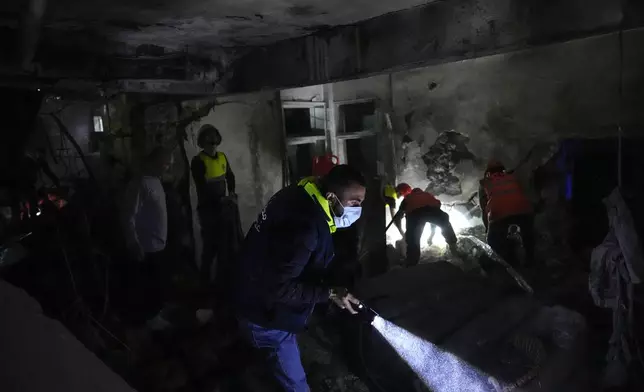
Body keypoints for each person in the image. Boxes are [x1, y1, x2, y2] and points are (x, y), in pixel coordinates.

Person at [234, 165, 366, 392]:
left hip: (250, 291)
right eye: (354, 203)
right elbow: (278, 288)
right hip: (265, 317)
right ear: (332, 197)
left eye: (361, 203)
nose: (358, 209)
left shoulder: (300, 192)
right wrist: (330, 293)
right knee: (296, 385)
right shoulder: (306, 227)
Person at [122, 147, 172, 326]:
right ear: (154, 162)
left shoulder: (155, 181)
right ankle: (149, 320)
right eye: (165, 163)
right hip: (146, 245)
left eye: (168, 164)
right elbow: (129, 216)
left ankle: (156, 313)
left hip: (158, 244)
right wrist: (133, 243)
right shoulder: (140, 183)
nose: (167, 167)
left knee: (157, 282)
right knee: (148, 284)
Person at [191, 124, 236, 286]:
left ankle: (222, 282)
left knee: (226, 246)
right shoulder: (198, 161)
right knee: (210, 248)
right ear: (202, 143)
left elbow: (230, 177)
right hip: (208, 211)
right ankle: (204, 283)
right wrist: (219, 200)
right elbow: (202, 187)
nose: (212, 143)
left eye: (214, 139)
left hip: (223, 209)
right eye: (208, 140)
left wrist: (231, 192)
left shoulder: (223, 157)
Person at [479, 160, 534, 267]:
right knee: (528, 235)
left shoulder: (485, 182)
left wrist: (488, 229)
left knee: (494, 241)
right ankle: (531, 259)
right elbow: (525, 193)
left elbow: (483, 208)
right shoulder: (513, 178)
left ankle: (507, 263)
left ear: (488, 173)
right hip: (523, 210)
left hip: (499, 214)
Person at [393, 187, 457, 266]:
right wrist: (431, 235)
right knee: (445, 224)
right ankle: (454, 247)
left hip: (415, 214)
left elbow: (398, 216)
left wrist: (402, 232)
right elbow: (435, 217)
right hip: (432, 211)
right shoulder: (427, 195)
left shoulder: (408, 198)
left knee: (413, 240)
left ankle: (411, 263)